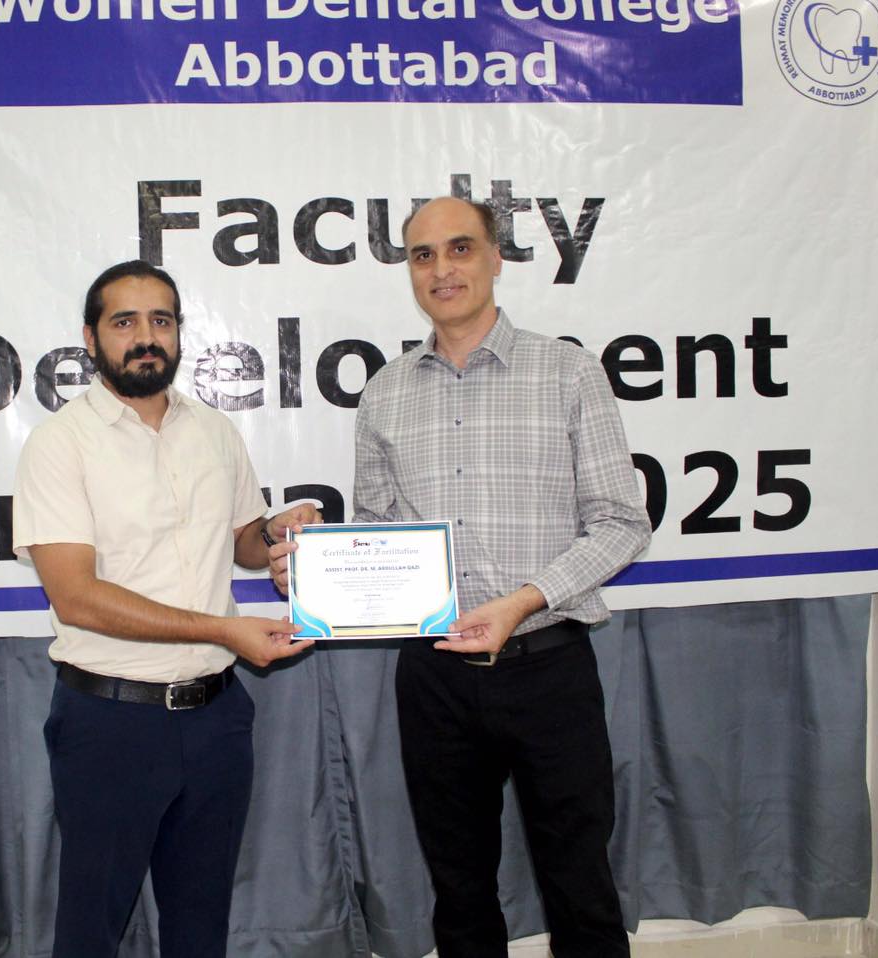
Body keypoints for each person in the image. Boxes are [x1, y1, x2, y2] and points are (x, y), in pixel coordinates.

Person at [276, 196, 650, 957]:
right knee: (459, 891)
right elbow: (381, 531)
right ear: (409, 270)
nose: (441, 269)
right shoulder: (385, 391)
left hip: (548, 666)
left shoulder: (568, 372)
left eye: (459, 248)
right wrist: (314, 569)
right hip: (435, 677)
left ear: (495, 257)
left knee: (581, 887)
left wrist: (521, 602)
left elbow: (622, 522)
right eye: (423, 255)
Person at [13, 259, 317, 958]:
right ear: (90, 337)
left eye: (161, 320)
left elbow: (243, 541)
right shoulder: (60, 444)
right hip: (110, 724)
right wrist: (225, 630)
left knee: (201, 931)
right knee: (90, 935)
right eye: (124, 321)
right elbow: (76, 597)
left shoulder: (214, 430)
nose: (145, 337)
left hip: (216, 720)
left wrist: (279, 532)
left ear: (179, 332)